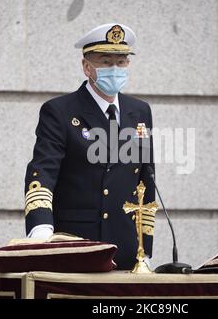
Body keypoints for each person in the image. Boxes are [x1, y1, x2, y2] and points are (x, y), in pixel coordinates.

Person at [24, 23, 155, 270]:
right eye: (105, 62)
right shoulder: (60, 111)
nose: (115, 69)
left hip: (128, 254)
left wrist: (145, 249)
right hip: (77, 250)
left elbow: (146, 182)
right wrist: (41, 229)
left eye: (121, 61)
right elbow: (42, 172)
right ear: (87, 67)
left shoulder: (140, 111)